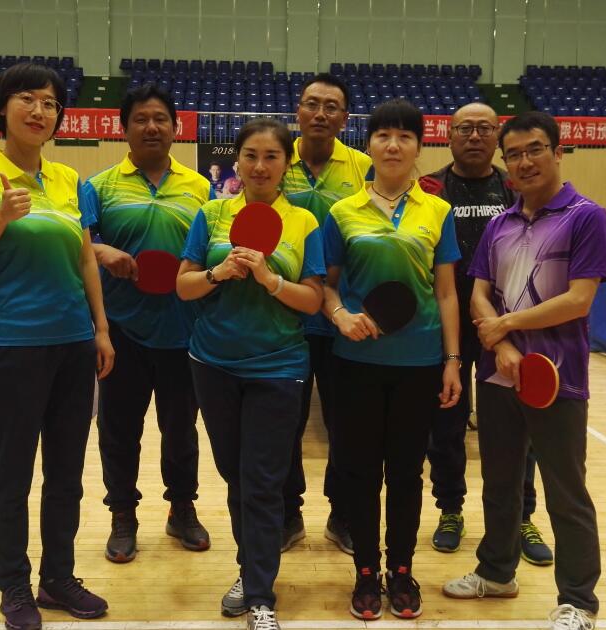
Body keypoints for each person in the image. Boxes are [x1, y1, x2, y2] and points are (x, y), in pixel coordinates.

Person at [0, 62, 115, 630]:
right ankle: (14, 586)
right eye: (27, 99)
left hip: (73, 346)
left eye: (50, 102)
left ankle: (58, 578)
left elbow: (85, 258)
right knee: (11, 473)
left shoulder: (71, 181)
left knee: (66, 473)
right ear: (2, 109)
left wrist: (101, 328)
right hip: (13, 346)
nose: (39, 111)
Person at [442, 111, 606, 630]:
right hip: (499, 375)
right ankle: (496, 573)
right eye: (513, 154)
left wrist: (504, 328)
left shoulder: (586, 217)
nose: (524, 162)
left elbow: (578, 300)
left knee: (565, 491)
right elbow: (479, 292)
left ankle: (578, 600)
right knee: (500, 482)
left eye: (535, 149)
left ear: (558, 152)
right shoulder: (500, 223)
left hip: (558, 377)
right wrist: (503, 346)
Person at [176, 118, 325, 630]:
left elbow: (313, 300)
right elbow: (184, 287)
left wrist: (268, 278)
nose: (260, 166)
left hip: (278, 366)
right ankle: (250, 569)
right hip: (212, 364)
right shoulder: (211, 213)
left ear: (287, 163)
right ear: (236, 160)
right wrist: (218, 273)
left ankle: (260, 594)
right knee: (236, 476)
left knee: (262, 482)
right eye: (251, 156)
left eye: (271, 156)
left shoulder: (304, 222)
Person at [322, 99, 462, 620]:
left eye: (405, 136)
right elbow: (326, 287)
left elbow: (445, 292)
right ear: (369, 145)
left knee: (406, 473)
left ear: (419, 146)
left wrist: (452, 359)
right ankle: (365, 571)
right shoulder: (342, 212)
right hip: (355, 362)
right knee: (359, 472)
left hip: (419, 363)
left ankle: (401, 570)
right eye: (383, 135)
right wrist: (340, 315)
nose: (393, 144)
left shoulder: (438, 211)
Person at [418, 102, 554, 566]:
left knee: (517, 426)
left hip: (509, 325)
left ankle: (522, 516)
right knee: (446, 424)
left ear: (497, 136)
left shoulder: (517, 187)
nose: (474, 136)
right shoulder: (429, 189)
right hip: (448, 326)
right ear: (448, 135)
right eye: (464, 128)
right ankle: (450, 510)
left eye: (483, 128)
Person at [82, 84, 212, 564]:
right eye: (141, 119)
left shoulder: (201, 188)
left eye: (160, 118)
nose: (151, 127)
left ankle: (182, 508)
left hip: (183, 329)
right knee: (118, 429)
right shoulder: (99, 186)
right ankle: (123, 515)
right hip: (121, 329)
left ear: (176, 128)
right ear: (124, 128)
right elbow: (78, 243)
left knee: (181, 429)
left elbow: (211, 248)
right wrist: (102, 250)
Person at [279, 72, 372, 555]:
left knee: (346, 424)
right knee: (285, 423)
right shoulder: (277, 159)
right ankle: (287, 512)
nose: (319, 113)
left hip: (342, 317)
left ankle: (342, 514)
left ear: (345, 118)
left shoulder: (363, 166)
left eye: (330, 106)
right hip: (286, 317)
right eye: (311, 104)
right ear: (297, 111)